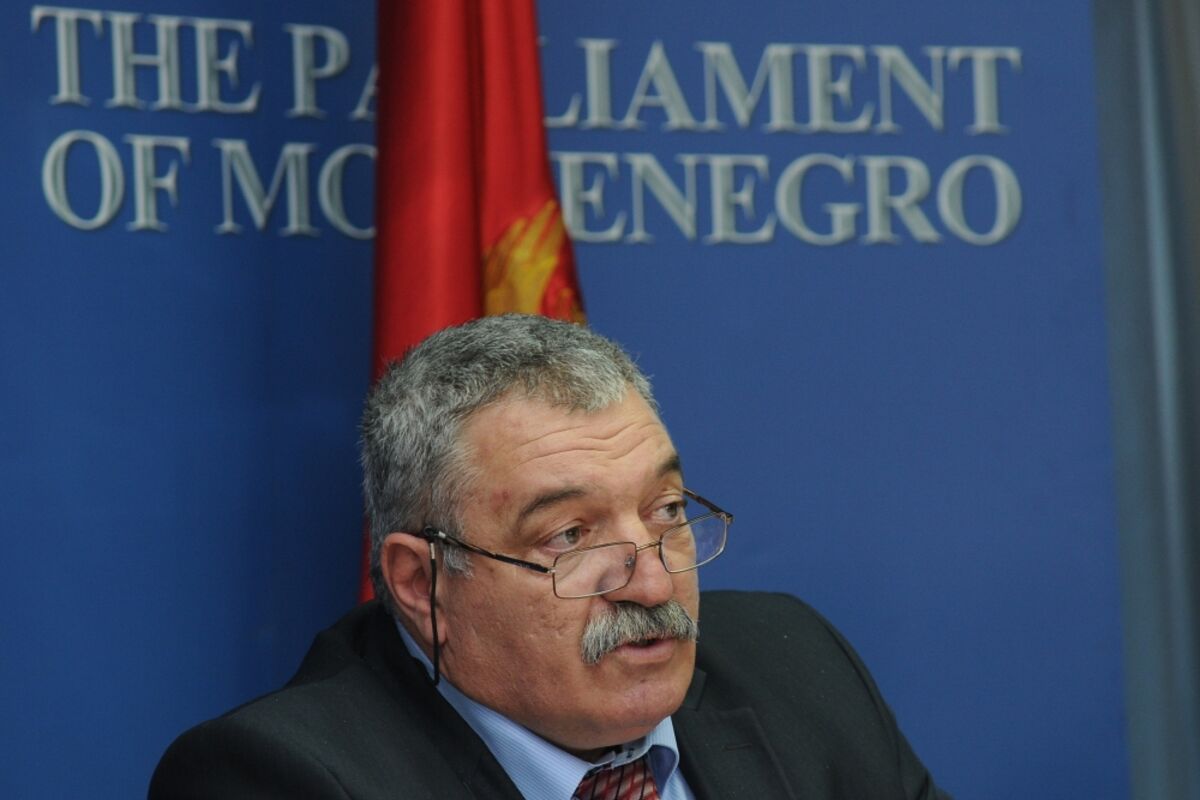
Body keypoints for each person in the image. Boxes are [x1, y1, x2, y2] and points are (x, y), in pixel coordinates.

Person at [150, 314, 950, 799]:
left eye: (667, 512)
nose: (654, 580)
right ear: (423, 584)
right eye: (570, 536)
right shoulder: (279, 778)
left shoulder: (797, 670)